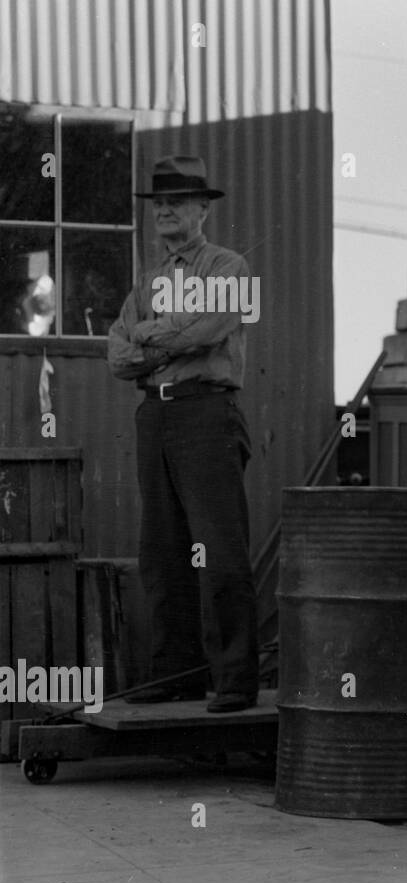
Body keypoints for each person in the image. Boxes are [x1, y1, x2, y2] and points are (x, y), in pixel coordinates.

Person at [106, 155, 260, 714]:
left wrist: (152, 337)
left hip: (205, 414)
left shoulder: (229, 269)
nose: (165, 210)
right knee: (163, 551)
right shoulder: (148, 281)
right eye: (158, 203)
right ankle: (176, 676)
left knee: (218, 550)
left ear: (203, 209)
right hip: (157, 416)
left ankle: (235, 681)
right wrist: (164, 337)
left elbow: (209, 328)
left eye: (177, 201)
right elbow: (117, 355)